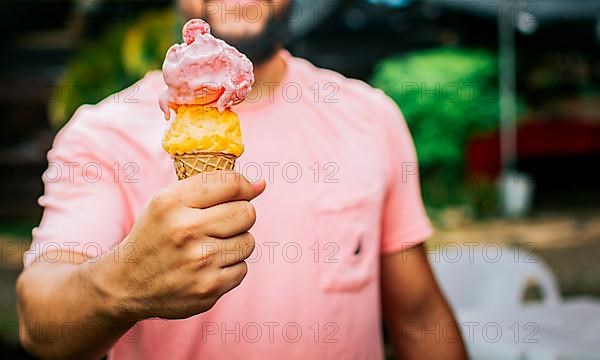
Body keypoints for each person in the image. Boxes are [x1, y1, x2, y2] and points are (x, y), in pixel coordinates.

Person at [17, 0, 467, 359]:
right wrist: (120, 285)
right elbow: (41, 323)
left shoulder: (371, 117)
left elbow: (419, 314)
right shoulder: (102, 136)